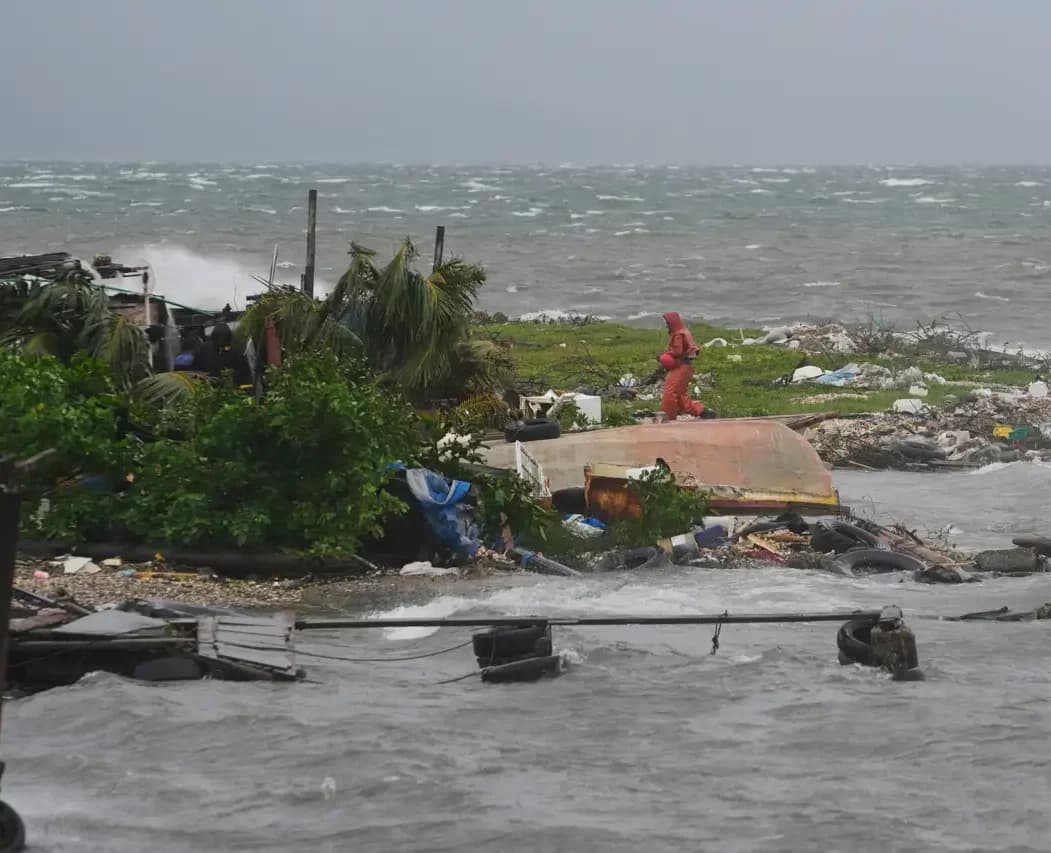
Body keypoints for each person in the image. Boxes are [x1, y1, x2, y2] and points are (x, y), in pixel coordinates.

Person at [659, 311, 713, 421]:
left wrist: (665, 355)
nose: (666, 325)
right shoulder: (685, 331)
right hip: (687, 366)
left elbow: (677, 352)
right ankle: (702, 411)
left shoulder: (678, 334)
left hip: (680, 366)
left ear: (672, 323)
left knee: (670, 393)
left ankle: (668, 417)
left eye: (667, 323)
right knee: (679, 395)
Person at [198, 322, 253, 386]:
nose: (222, 340)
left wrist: (245, 389)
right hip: (208, 386)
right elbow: (198, 368)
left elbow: (245, 373)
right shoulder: (205, 349)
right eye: (219, 337)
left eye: (224, 337)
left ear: (228, 337)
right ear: (214, 336)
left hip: (230, 387)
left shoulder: (235, 351)